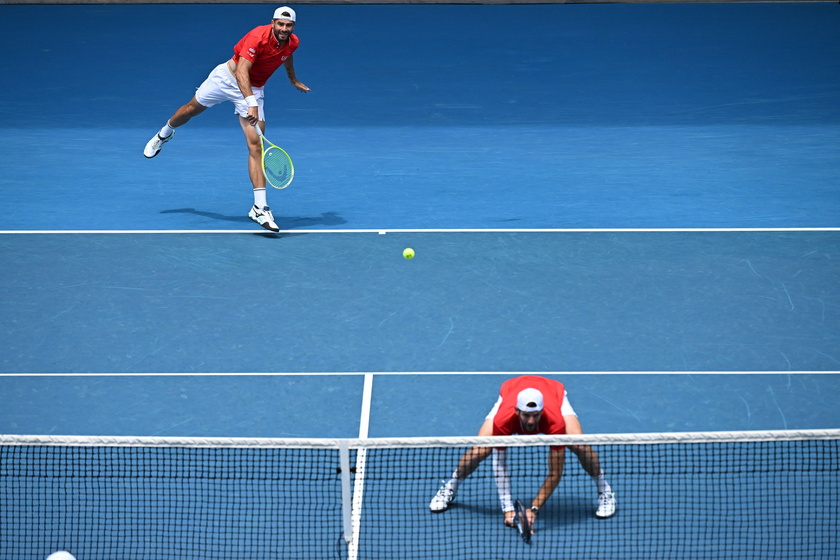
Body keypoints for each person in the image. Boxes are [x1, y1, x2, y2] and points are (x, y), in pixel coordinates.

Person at [143, 6, 310, 233]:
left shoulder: (292, 42)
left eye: (288, 25)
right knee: (191, 109)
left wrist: (293, 79)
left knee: (257, 146)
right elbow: (242, 72)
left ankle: (260, 208)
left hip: (254, 90)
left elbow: (286, 58)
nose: (284, 28)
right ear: (273, 23)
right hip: (227, 79)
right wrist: (250, 102)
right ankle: (165, 133)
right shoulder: (257, 38)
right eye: (280, 24)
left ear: (293, 27)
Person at [429, 375, 617, 530]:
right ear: (517, 411)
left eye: (535, 415)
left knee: (580, 446)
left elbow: (555, 472)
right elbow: (500, 464)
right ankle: (451, 486)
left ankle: (604, 489)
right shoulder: (503, 420)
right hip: (511, 389)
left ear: (542, 412)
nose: (530, 421)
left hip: (553, 392)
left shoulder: (554, 422)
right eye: (526, 415)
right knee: (480, 450)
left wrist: (534, 509)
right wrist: (507, 508)